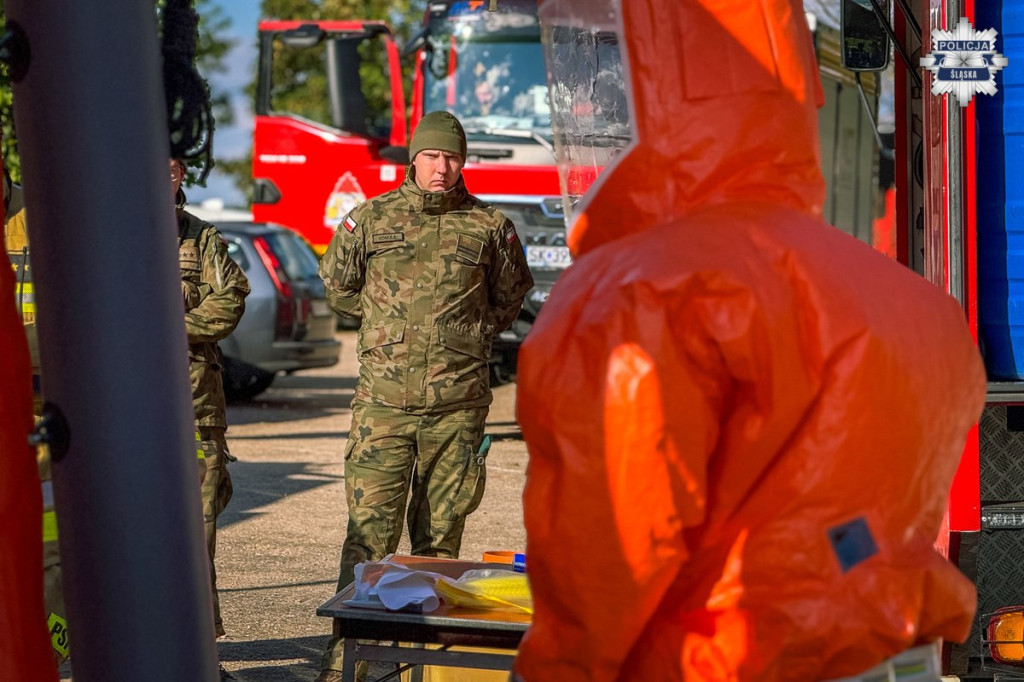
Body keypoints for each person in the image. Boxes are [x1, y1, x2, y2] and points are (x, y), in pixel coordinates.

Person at [513, 1, 985, 680]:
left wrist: (552, 671)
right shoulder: (907, 299)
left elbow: (609, 543)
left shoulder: (647, 290)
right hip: (881, 653)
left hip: (719, 661)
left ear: (649, 79)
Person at [314, 110, 533, 682]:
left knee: (439, 540)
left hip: (457, 410)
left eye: (453, 157)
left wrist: (460, 339)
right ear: (413, 158)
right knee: (369, 536)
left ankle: (421, 666)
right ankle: (350, 661)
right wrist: (392, 330)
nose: (443, 167)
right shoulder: (369, 219)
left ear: (464, 162)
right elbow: (338, 288)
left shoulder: (489, 227)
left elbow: (509, 299)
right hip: (382, 406)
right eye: (433, 156)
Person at [171, 158, 249, 667]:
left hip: (195, 410)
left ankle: (199, 656)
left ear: (180, 173)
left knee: (197, 539)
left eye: (172, 165)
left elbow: (232, 297)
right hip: (119, 418)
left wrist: (173, 328)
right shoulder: (103, 232)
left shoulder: (202, 241)